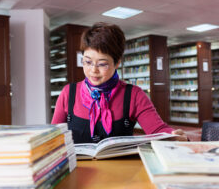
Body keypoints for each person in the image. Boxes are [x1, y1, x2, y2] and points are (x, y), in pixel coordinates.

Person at [51, 22, 188, 143]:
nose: (93, 70)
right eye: (87, 62)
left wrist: (173, 135)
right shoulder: (69, 93)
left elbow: (157, 129)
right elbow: (54, 136)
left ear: (117, 63)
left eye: (102, 64)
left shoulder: (134, 94)